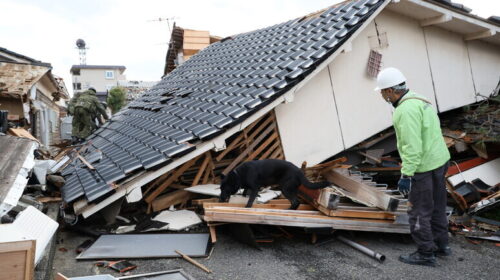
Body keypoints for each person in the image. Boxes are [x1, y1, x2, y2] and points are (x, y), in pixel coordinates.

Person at [375, 67, 451, 267]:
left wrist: (406, 174)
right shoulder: (420, 100)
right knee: (437, 206)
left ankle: (426, 253)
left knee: (418, 211)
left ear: (391, 91)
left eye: (382, 91)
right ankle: (442, 244)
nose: (382, 95)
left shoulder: (404, 111)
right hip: (440, 161)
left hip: (424, 167)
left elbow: (412, 147)